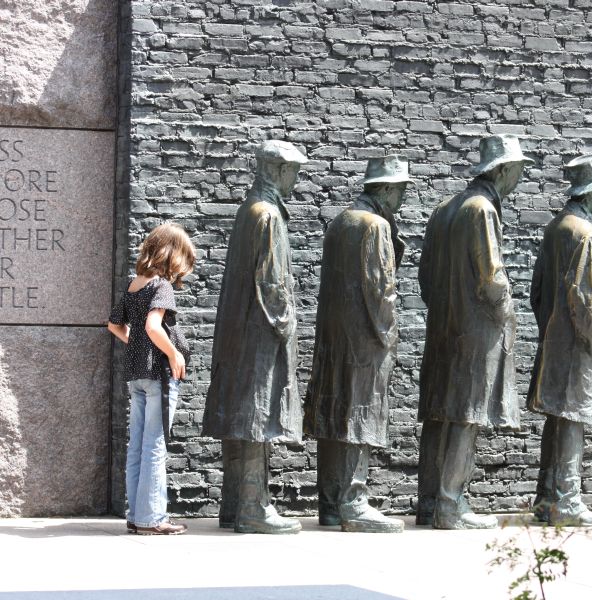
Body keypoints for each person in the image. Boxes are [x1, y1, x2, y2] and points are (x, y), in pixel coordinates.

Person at [416, 134, 530, 530]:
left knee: (441, 412)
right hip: (475, 329)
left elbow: (425, 278)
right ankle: (450, 504)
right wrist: (504, 314)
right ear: (500, 170)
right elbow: (491, 276)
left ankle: (429, 501)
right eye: (517, 169)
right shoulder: (481, 209)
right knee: (466, 414)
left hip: (445, 326)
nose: (519, 176)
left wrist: (446, 310)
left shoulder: (444, 208)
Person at [202, 141, 306, 534]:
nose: (295, 179)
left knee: (245, 414)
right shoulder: (268, 216)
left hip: (239, 329)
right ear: (276, 170)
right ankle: (253, 507)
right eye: (293, 171)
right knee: (257, 416)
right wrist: (286, 327)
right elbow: (273, 282)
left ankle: (234, 505)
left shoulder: (249, 210)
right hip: (260, 333)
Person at [305, 155, 412, 534]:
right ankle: (354, 501)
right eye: (399, 190)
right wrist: (388, 338)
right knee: (358, 414)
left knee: (336, 413)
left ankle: (331, 504)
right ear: (384, 188)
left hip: (335, 338)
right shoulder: (375, 225)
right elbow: (381, 290)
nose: (401, 198)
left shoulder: (340, 222)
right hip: (365, 340)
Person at [527, 154, 592, 526]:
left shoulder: (556, 227)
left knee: (559, 420)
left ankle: (547, 497)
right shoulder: (584, 233)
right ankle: (567, 499)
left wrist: (550, 326)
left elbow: (536, 291)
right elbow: (583, 297)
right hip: (577, 344)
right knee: (572, 420)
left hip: (555, 339)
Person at [108, 222, 196, 535]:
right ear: (172, 254)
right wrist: (174, 354)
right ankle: (152, 519)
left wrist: (136, 344)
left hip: (136, 375)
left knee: (139, 447)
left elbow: (114, 325)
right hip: (158, 374)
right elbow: (153, 327)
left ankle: (136, 515)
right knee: (155, 446)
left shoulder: (136, 283)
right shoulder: (161, 286)